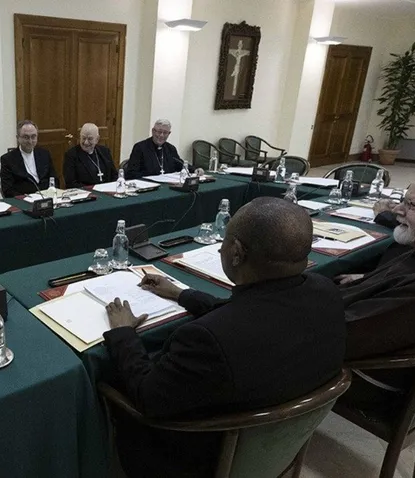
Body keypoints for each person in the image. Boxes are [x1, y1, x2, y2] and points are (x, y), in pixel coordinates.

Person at [102, 197, 345, 477]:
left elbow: (147, 397)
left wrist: (122, 333)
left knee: (107, 377)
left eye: (225, 241)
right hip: (279, 443)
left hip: (203, 459)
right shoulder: (325, 290)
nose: (220, 248)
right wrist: (181, 294)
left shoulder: (206, 339)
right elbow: (251, 312)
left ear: (237, 252)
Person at [338, 168, 415, 408]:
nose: (397, 210)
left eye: (413, 205)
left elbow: (337, 339)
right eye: (403, 201)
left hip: (364, 379)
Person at [0, 120, 57, 197]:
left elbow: (54, 179)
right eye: (26, 137)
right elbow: (7, 190)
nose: (30, 141)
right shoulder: (8, 159)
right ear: (18, 138)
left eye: (33, 137)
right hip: (23, 200)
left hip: (46, 198)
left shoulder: (44, 154)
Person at [63, 123, 118, 188]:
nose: (86, 142)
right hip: (85, 192)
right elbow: (70, 183)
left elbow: (114, 175)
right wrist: (93, 189)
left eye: (90, 139)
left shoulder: (105, 151)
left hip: (107, 190)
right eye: (83, 138)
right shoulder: (71, 155)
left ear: (97, 139)